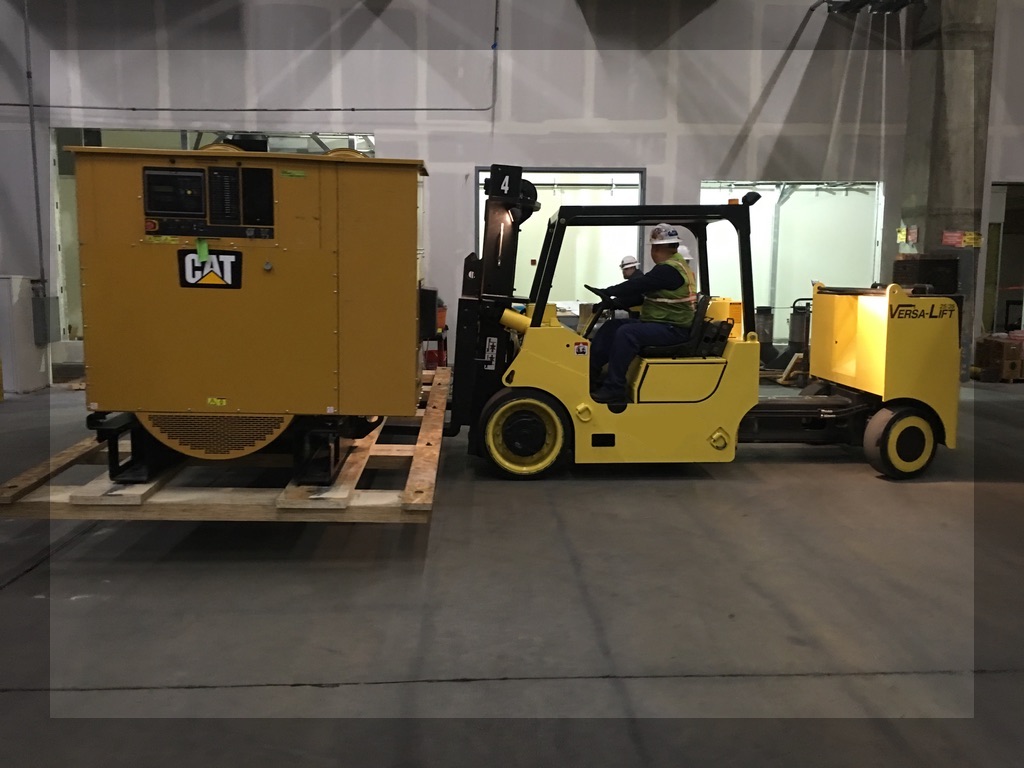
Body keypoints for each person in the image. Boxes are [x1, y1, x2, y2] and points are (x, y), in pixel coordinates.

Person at [588, 224, 699, 403]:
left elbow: (639, 284)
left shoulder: (669, 269)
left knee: (627, 333)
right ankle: (590, 374)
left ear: (658, 248)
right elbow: (644, 295)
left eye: (654, 248)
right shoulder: (671, 268)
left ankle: (614, 388)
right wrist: (615, 303)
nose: (652, 252)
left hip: (673, 329)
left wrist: (608, 291)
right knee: (612, 327)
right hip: (662, 323)